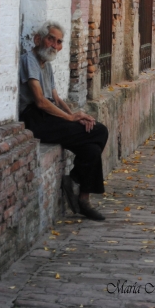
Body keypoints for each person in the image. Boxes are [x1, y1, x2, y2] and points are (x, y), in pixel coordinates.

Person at [19, 21, 108, 221]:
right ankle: (76, 179)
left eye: (58, 41)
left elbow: (56, 99)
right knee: (100, 132)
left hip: (50, 115)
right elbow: (41, 101)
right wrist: (70, 118)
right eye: (51, 38)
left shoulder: (46, 66)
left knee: (92, 147)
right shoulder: (29, 60)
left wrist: (78, 115)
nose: (54, 45)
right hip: (34, 118)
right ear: (38, 39)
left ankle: (83, 198)